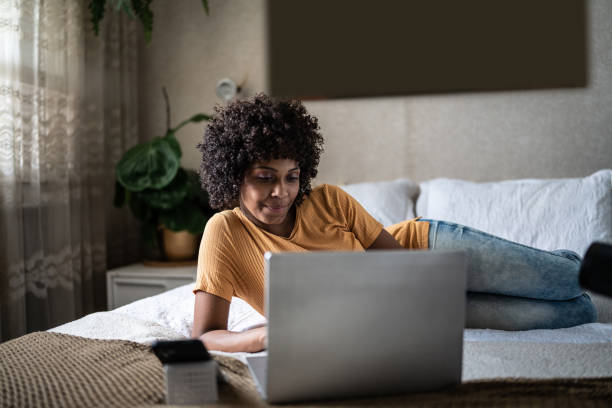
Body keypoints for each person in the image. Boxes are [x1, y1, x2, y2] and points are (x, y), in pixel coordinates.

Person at [192, 94, 597, 353]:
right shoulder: (224, 233)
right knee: (578, 312)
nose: (281, 191)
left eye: (291, 176)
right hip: (410, 312)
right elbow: (206, 335)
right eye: (265, 177)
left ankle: (562, 261)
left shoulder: (329, 200)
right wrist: (265, 335)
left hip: (427, 252)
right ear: (235, 175)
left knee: (565, 280)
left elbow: (404, 268)